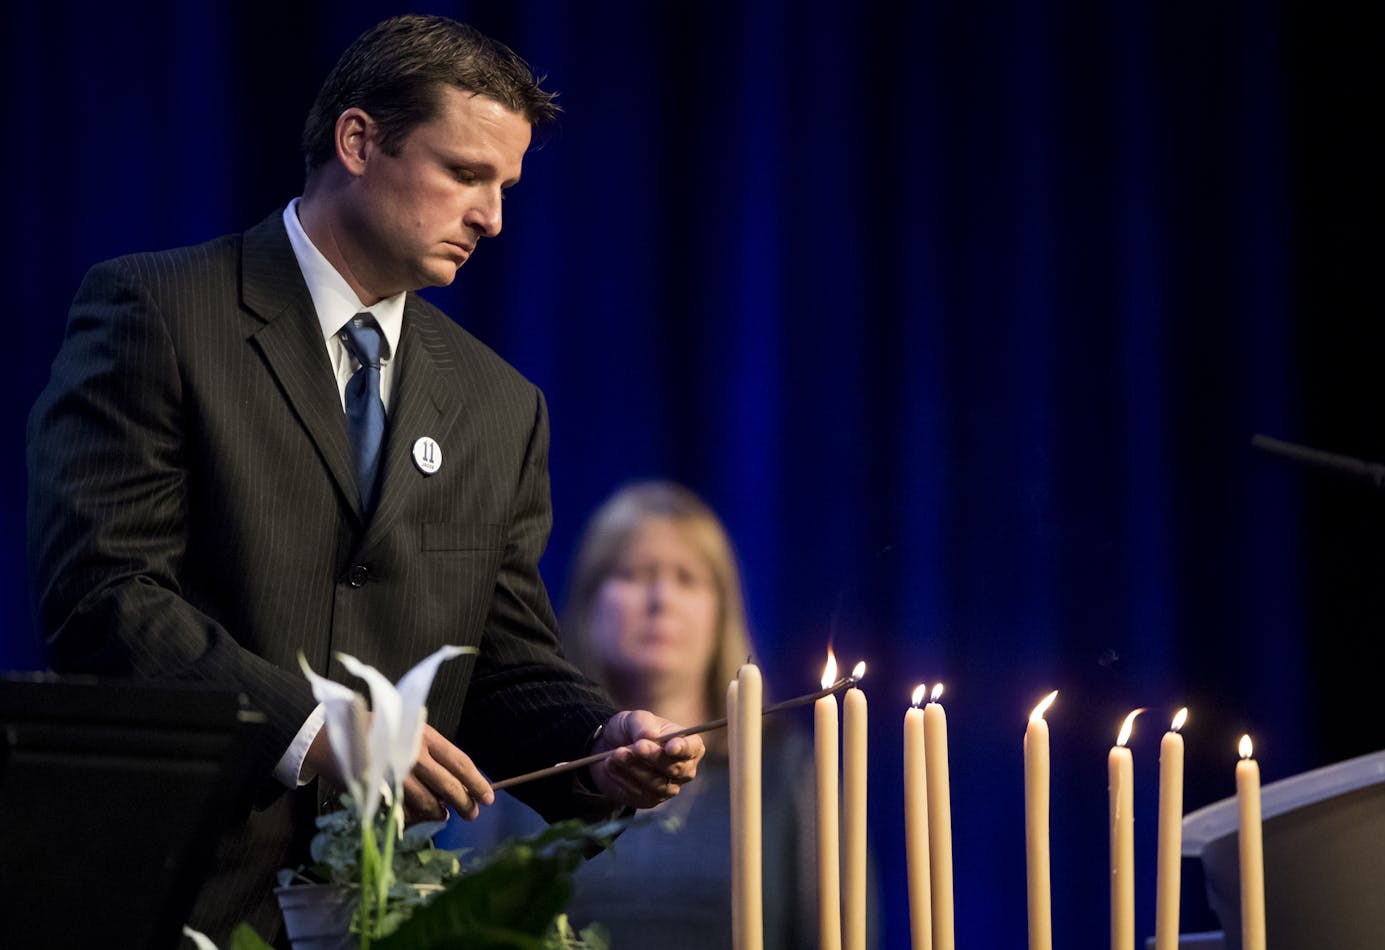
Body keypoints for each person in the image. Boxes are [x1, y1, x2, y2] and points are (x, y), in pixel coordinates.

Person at [25, 15, 702, 942]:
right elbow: (101, 597)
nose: (493, 218)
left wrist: (597, 746)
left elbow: (501, 666)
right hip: (161, 902)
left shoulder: (502, 407)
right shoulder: (159, 313)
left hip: (381, 917)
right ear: (358, 141)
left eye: (505, 187)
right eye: (465, 174)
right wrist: (313, 731)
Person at [448, 481, 834, 949]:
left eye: (687, 579)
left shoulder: (783, 767)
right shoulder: (519, 759)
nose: (660, 601)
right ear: (590, 604)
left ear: (722, 612)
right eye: (633, 574)